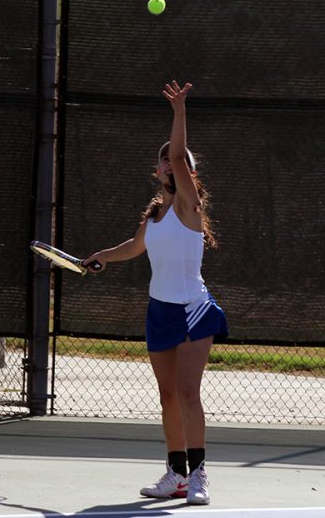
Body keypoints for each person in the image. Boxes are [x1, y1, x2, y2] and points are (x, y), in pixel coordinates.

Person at [83, 81, 228, 506]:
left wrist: (179, 111)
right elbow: (133, 247)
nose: (171, 163)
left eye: (178, 160)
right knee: (167, 397)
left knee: (187, 392)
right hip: (160, 312)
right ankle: (176, 474)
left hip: (195, 311)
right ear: (156, 168)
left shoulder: (188, 207)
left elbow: (180, 157)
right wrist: (102, 257)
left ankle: (200, 474)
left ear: (188, 172)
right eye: (164, 159)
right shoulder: (155, 216)